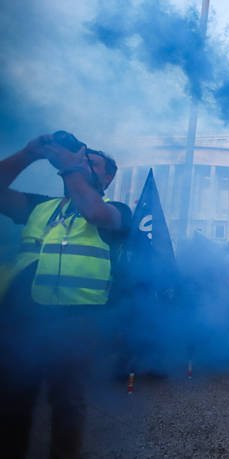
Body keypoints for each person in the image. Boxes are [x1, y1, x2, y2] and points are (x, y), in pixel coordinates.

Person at [0, 133, 131, 459]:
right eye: (81, 159)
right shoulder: (40, 206)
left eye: (92, 163)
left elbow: (94, 213)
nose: (84, 166)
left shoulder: (117, 210)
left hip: (77, 321)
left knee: (67, 404)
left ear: (108, 177)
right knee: (12, 402)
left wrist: (71, 166)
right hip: (23, 318)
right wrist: (29, 154)